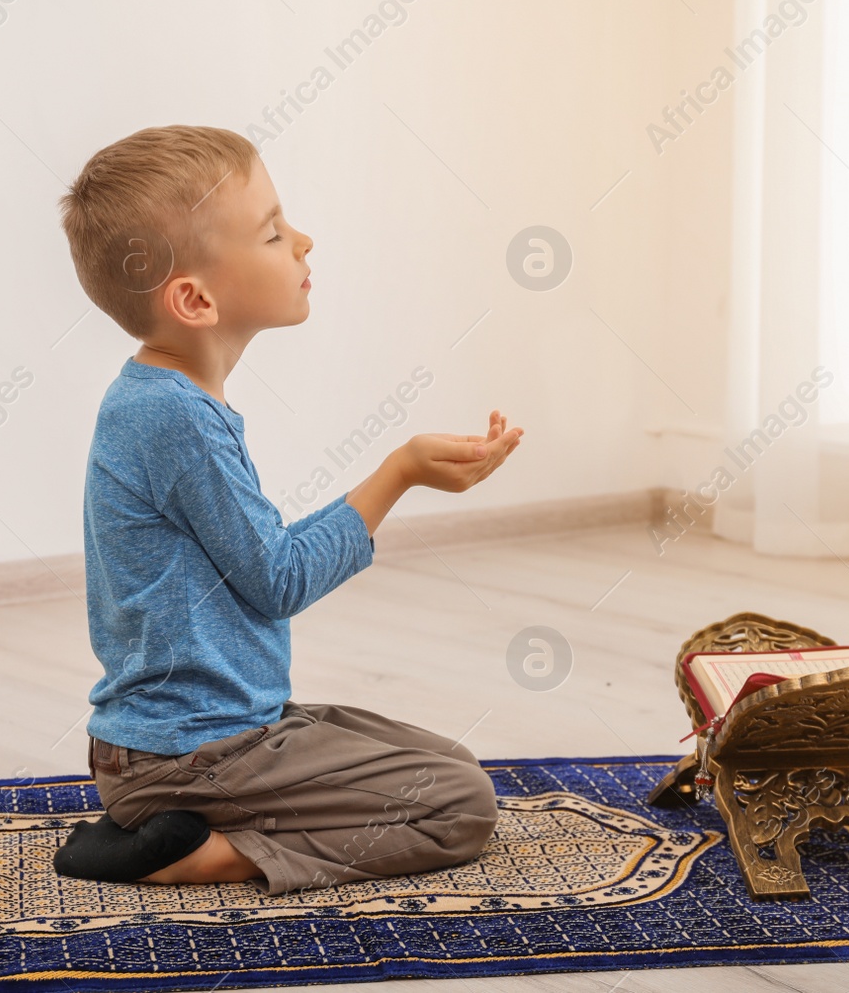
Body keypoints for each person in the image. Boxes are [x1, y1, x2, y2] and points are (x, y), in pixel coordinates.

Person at [51, 125, 524, 895]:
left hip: (203, 737)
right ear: (195, 298)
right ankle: (198, 853)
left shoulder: (160, 400)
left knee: (455, 764)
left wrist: (399, 473)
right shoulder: (176, 419)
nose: (304, 241)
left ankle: (164, 821)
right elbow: (279, 579)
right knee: (460, 806)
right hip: (191, 757)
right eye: (273, 232)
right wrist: (397, 473)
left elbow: (259, 562)